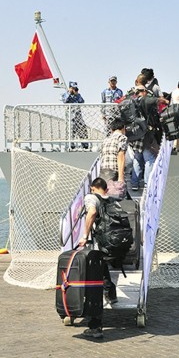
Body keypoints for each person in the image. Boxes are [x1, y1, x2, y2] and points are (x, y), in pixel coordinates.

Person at [77, 177, 118, 339]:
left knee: (94, 285)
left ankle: (96, 327)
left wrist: (85, 235)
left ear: (93, 188)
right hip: (112, 244)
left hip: (98, 244)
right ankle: (111, 292)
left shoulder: (91, 197)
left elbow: (92, 212)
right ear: (105, 189)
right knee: (102, 271)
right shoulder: (112, 200)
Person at [100, 118, 129, 197]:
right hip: (113, 170)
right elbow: (121, 156)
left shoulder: (106, 139)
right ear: (123, 128)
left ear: (112, 130)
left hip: (103, 169)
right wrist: (121, 177)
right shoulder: (122, 138)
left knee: (105, 192)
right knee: (116, 193)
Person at [62, 80, 89, 150]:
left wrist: (76, 94)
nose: (74, 89)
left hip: (78, 115)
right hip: (70, 116)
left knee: (82, 129)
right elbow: (65, 101)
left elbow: (82, 101)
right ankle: (71, 145)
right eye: (73, 88)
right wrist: (69, 93)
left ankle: (85, 144)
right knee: (71, 130)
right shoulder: (65, 94)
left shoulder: (78, 95)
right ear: (70, 87)